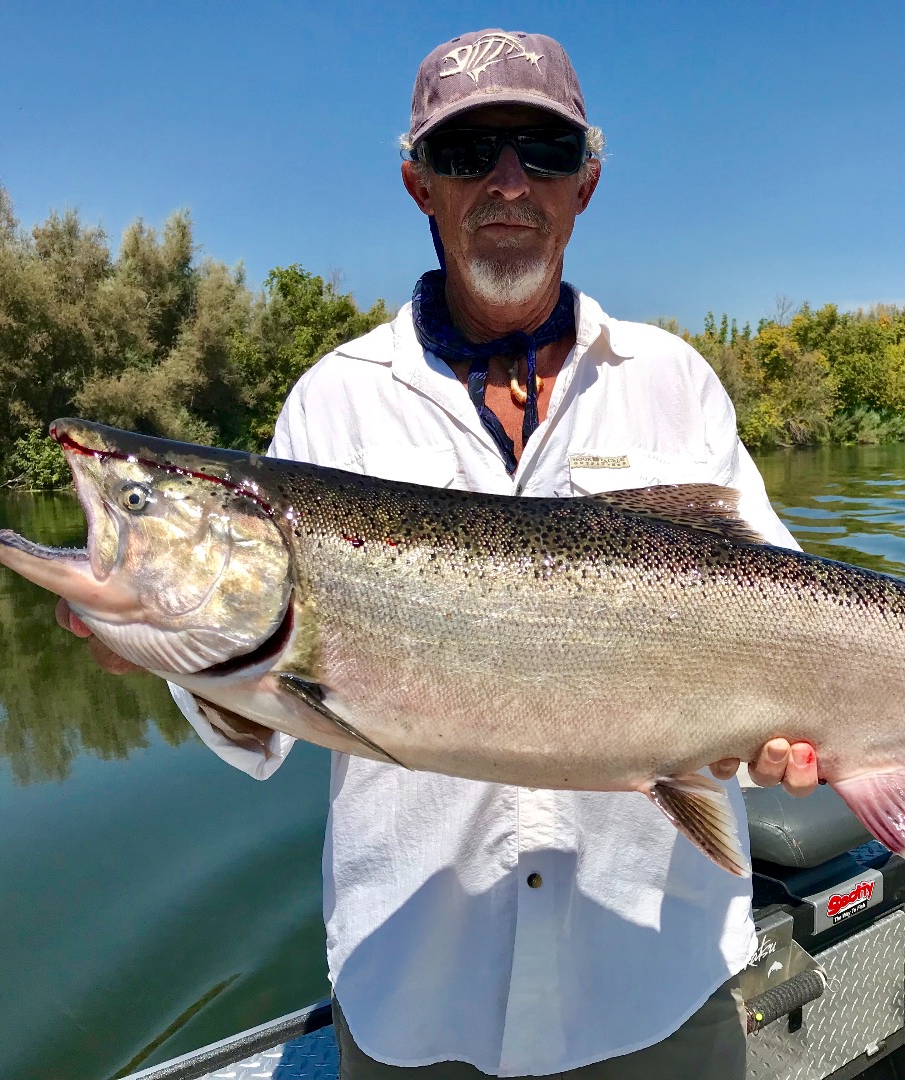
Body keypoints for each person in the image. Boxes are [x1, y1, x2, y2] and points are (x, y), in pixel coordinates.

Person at [58, 28, 820, 1078]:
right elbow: (261, 728)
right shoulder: (334, 400)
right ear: (419, 182)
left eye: (542, 152)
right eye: (469, 153)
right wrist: (171, 651)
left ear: (585, 184)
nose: (508, 182)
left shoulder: (674, 380)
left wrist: (791, 731)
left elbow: (786, 604)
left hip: (660, 987)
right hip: (417, 1005)